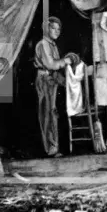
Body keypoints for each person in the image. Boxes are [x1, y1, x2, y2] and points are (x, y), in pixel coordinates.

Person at [34, 16, 72, 157]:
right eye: (53, 28)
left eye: (58, 29)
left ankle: (53, 146)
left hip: (51, 79)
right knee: (48, 113)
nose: (57, 31)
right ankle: (50, 148)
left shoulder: (52, 45)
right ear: (46, 29)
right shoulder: (44, 44)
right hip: (45, 79)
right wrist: (66, 61)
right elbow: (51, 65)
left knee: (52, 112)